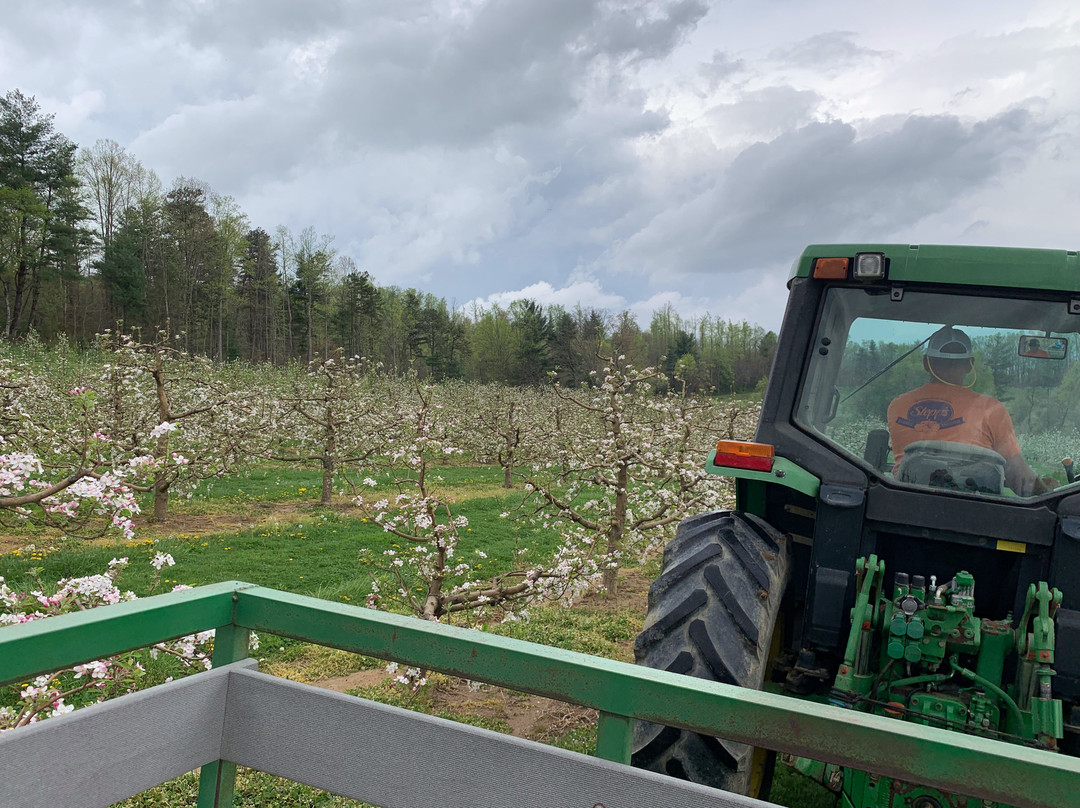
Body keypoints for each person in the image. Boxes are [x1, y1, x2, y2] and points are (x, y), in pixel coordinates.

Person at [887, 326, 1051, 495]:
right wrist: (1050, 495)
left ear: (925, 363)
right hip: (973, 509)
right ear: (969, 364)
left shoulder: (898, 405)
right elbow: (1020, 479)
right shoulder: (991, 409)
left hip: (907, 504)